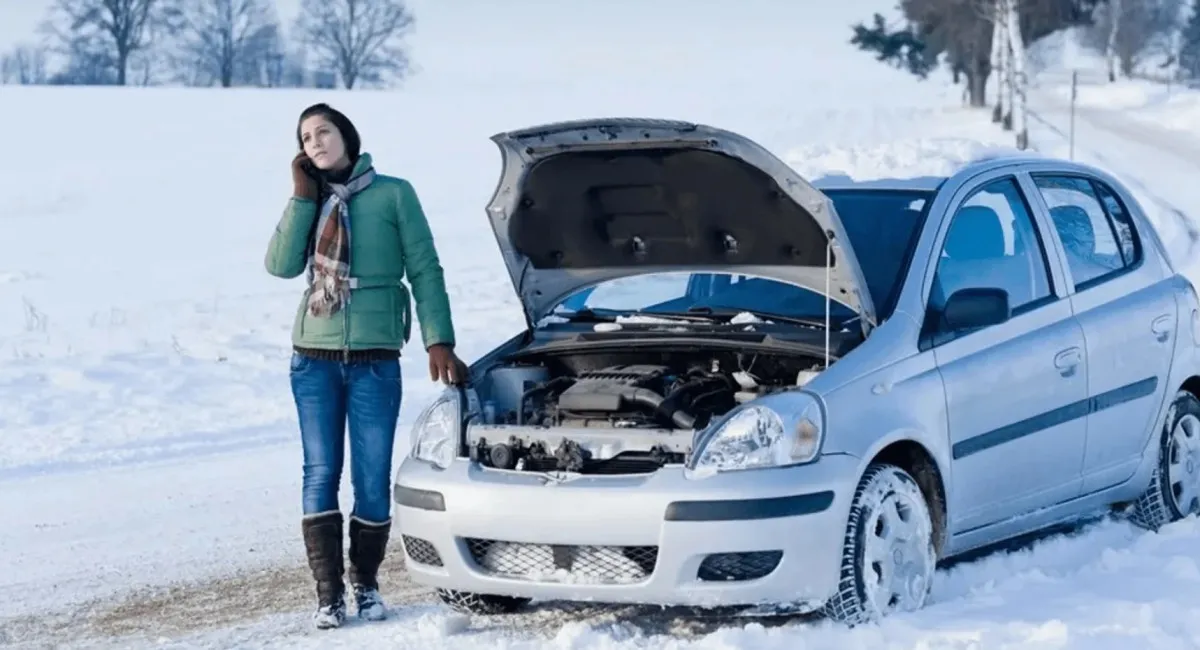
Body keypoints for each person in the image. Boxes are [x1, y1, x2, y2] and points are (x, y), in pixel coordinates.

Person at [264, 102, 465, 630]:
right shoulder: (310, 199)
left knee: (372, 478)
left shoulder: (394, 193)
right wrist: (301, 196)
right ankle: (328, 595)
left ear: (346, 136)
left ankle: (367, 585)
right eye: (305, 138)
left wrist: (439, 340)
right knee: (320, 472)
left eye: (322, 131)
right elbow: (280, 266)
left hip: (375, 358)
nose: (314, 142)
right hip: (313, 357)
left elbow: (425, 268)